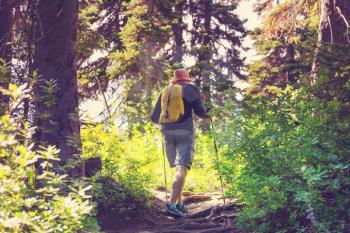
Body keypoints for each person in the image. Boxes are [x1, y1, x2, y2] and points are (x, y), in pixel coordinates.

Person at [151, 68, 209, 218]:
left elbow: (153, 117)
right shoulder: (190, 89)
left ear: (174, 79)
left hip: (167, 132)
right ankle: (171, 205)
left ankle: (179, 203)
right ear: (187, 78)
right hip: (185, 132)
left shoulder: (166, 90)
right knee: (181, 168)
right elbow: (200, 112)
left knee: (179, 169)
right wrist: (209, 113)